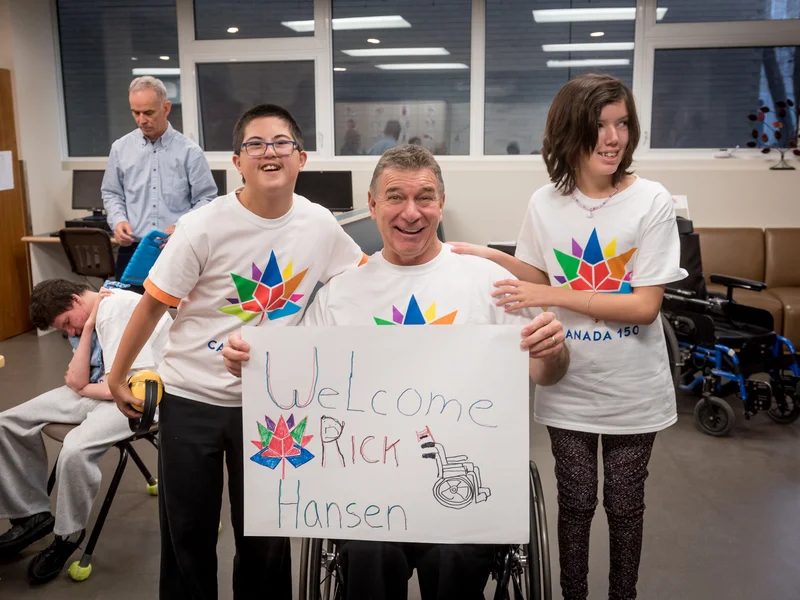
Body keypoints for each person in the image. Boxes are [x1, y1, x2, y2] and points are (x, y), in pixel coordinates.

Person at [221, 145, 570, 600]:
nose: (411, 212)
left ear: (441, 204)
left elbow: (547, 375)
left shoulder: (488, 284)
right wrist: (249, 363)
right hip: (367, 491)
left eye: (425, 198)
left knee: (456, 557)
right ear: (371, 206)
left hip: (463, 485)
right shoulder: (340, 293)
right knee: (368, 554)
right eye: (394, 197)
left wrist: (551, 350)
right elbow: (294, 386)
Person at [106, 104, 367, 599]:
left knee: (266, 539)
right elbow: (152, 306)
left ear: (301, 157)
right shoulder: (203, 225)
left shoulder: (320, 225)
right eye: (256, 145)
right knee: (188, 533)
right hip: (192, 398)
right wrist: (120, 375)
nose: (269, 152)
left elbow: (366, 279)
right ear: (237, 162)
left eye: (281, 143)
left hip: (273, 406)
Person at [452, 73, 687, 600]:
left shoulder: (651, 201)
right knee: (575, 503)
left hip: (632, 389)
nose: (614, 138)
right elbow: (538, 278)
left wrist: (554, 296)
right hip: (568, 383)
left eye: (622, 123)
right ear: (570, 130)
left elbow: (645, 306)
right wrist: (492, 257)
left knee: (626, 506)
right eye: (600, 125)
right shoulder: (546, 202)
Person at [0, 279, 171, 584]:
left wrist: (82, 386)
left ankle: (68, 535)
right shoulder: (89, 318)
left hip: (139, 401)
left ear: (76, 301)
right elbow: (78, 379)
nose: (69, 331)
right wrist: (87, 327)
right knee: (7, 422)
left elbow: (128, 389)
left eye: (67, 323)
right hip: (99, 391)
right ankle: (30, 515)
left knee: (75, 450)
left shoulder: (114, 309)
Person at [102, 76, 218, 284]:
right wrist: (118, 220)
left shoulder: (190, 152)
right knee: (127, 312)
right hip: (133, 251)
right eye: (135, 113)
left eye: (148, 113)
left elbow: (207, 199)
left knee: (177, 314)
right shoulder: (120, 149)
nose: (141, 120)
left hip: (176, 249)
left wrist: (180, 226)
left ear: (166, 108)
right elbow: (112, 192)